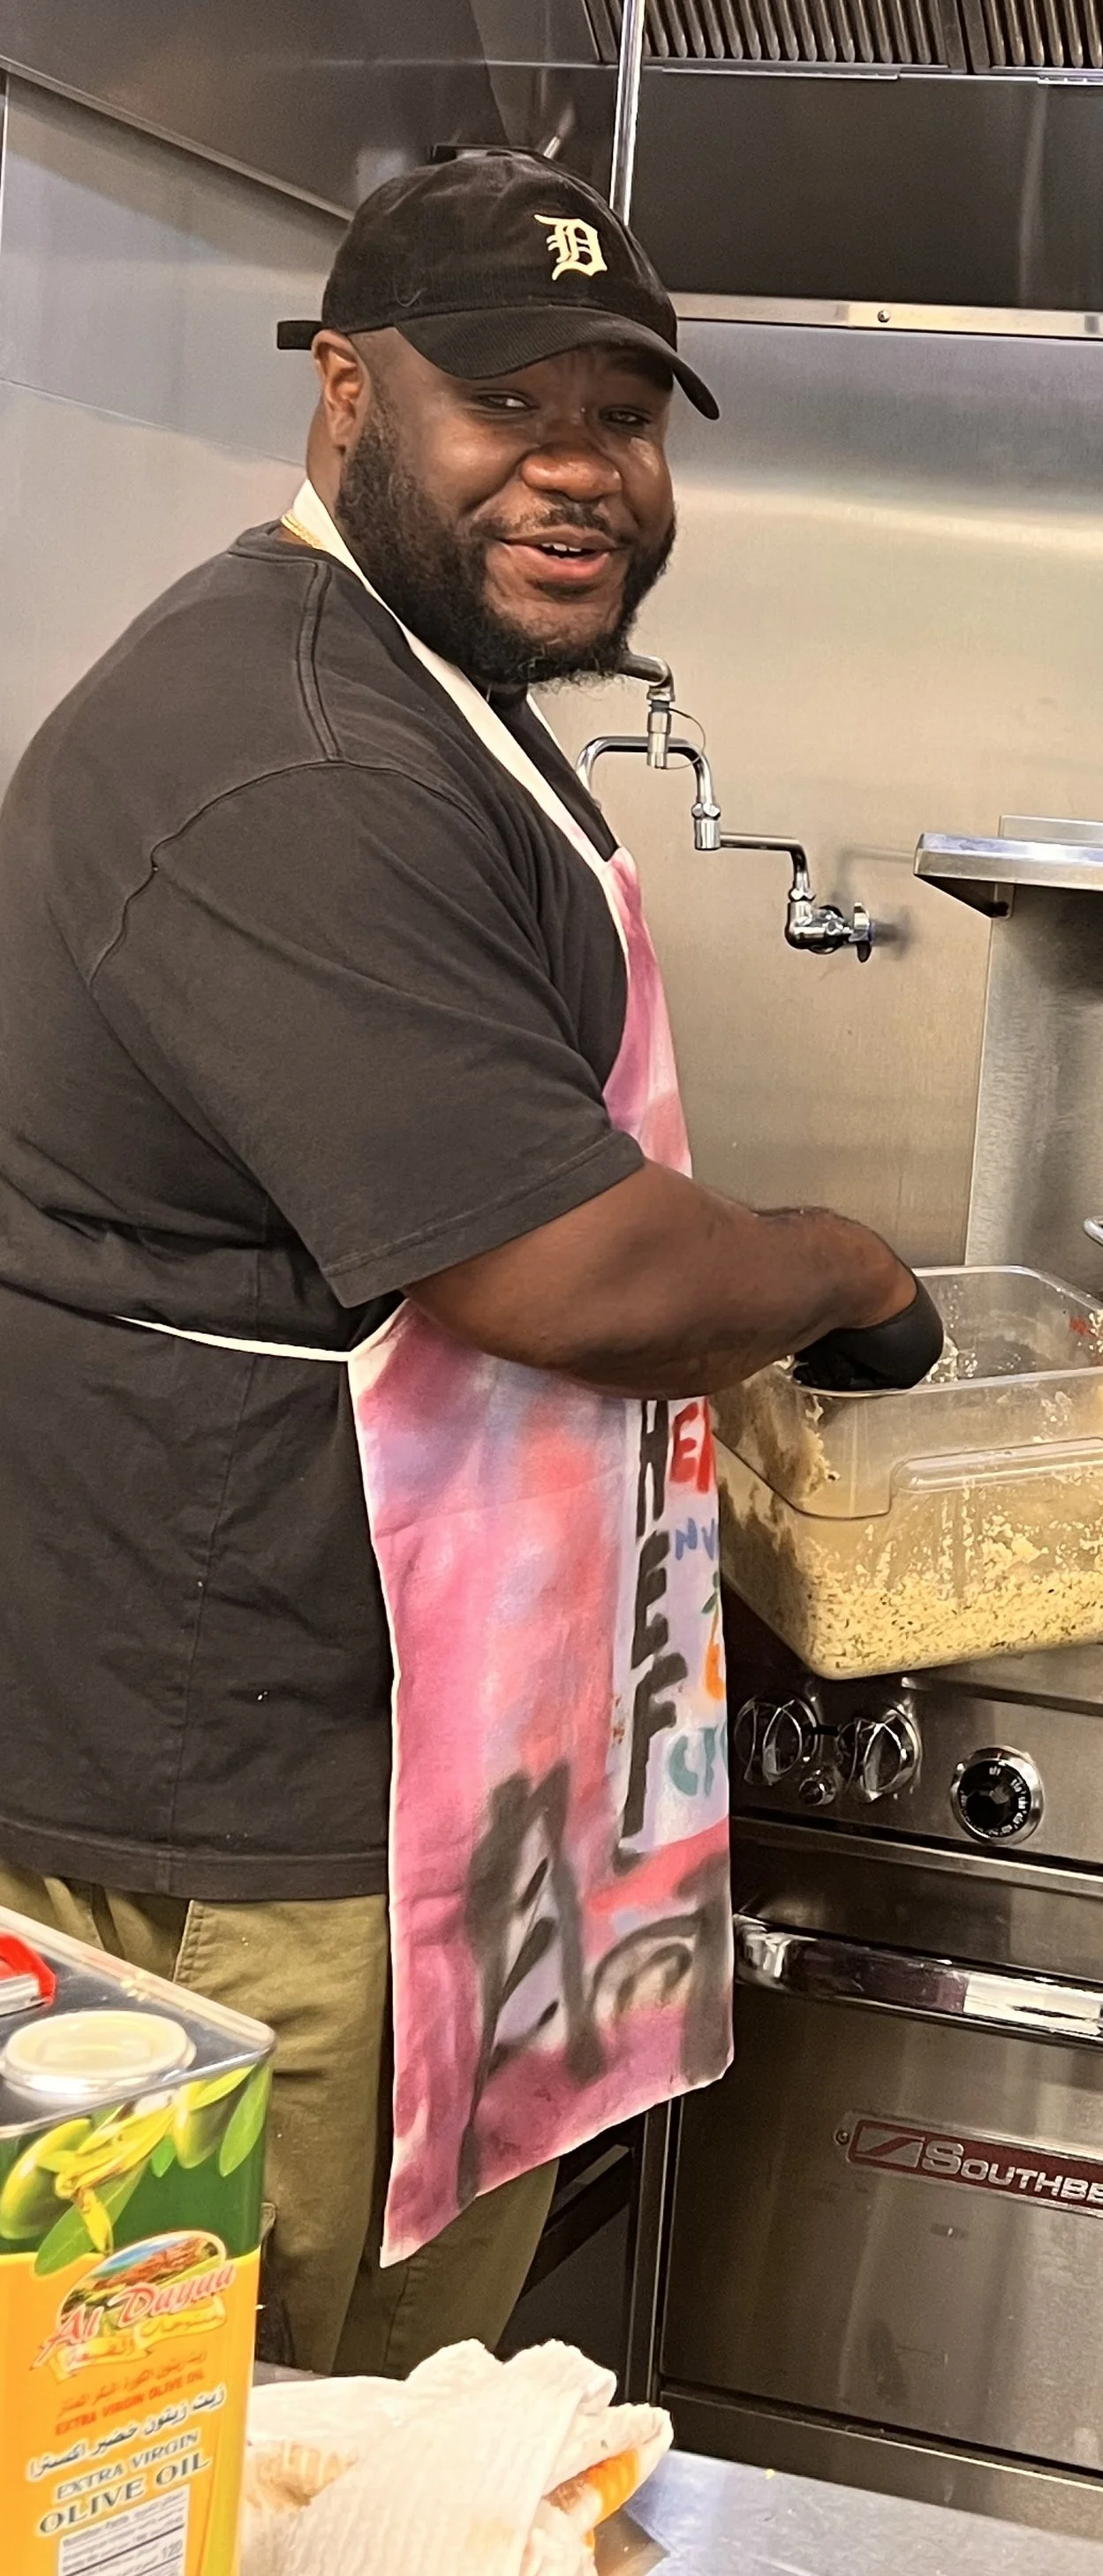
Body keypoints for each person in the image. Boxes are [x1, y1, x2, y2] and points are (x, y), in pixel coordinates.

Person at [0, 151, 938, 2376]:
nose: (580, 469)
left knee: (402, 2430)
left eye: (624, 415)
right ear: (346, 392)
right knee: (242, 2438)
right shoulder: (288, 745)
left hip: (422, 1758)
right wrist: (844, 1268)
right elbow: (567, 1279)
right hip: (247, 1816)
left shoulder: (417, 683)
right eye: (506, 404)